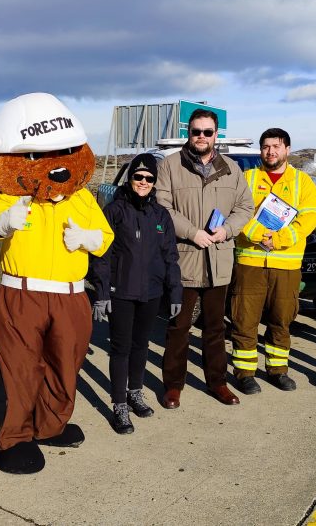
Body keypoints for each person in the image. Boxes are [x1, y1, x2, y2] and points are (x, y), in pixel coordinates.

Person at [0, 93, 115, 474]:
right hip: (21, 294)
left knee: (65, 366)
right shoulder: (9, 197)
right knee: (21, 369)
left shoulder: (82, 198)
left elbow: (105, 237)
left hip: (70, 297)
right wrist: (7, 221)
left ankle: (50, 425)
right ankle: (14, 439)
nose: (54, 167)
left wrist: (87, 240)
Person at [154, 108, 253, 408]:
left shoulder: (232, 168)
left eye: (207, 132)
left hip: (218, 260)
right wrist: (191, 232)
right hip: (184, 258)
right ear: (189, 133)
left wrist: (227, 230)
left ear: (216, 134)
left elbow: (245, 207)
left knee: (215, 328)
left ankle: (218, 382)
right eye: (196, 131)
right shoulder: (170, 166)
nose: (201, 137)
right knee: (178, 327)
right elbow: (162, 206)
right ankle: (173, 386)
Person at [89, 153, 182, 434]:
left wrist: (175, 292)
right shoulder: (115, 211)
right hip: (121, 291)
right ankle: (119, 404)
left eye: (149, 178)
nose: (143, 182)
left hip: (151, 293)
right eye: (138, 177)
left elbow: (170, 257)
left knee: (141, 346)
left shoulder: (161, 215)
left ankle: (135, 392)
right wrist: (102, 292)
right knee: (121, 348)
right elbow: (101, 255)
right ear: (130, 179)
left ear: (155, 183)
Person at [231, 128, 316, 394]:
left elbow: (309, 219)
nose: (271, 151)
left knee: (281, 320)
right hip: (250, 261)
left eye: (276, 146)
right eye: (266, 146)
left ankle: (277, 371)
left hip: (286, 264)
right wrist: (258, 236)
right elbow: (236, 212)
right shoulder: (247, 178)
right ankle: (245, 373)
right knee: (244, 320)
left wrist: (278, 239)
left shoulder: (302, 182)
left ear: (287, 150)